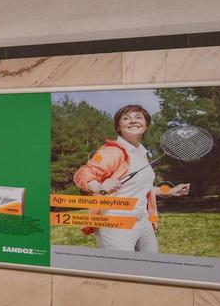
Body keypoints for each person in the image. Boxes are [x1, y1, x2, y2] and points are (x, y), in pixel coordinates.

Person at [72, 104, 189, 253]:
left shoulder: (141, 152)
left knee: (151, 267)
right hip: (115, 222)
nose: (133, 121)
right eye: (126, 118)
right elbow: (83, 172)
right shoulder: (113, 151)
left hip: (143, 220)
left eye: (138, 117)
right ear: (118, 127)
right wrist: (98, 186)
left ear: (146, 125)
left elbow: (140, 187)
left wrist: (170, 191)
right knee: (121, 271)